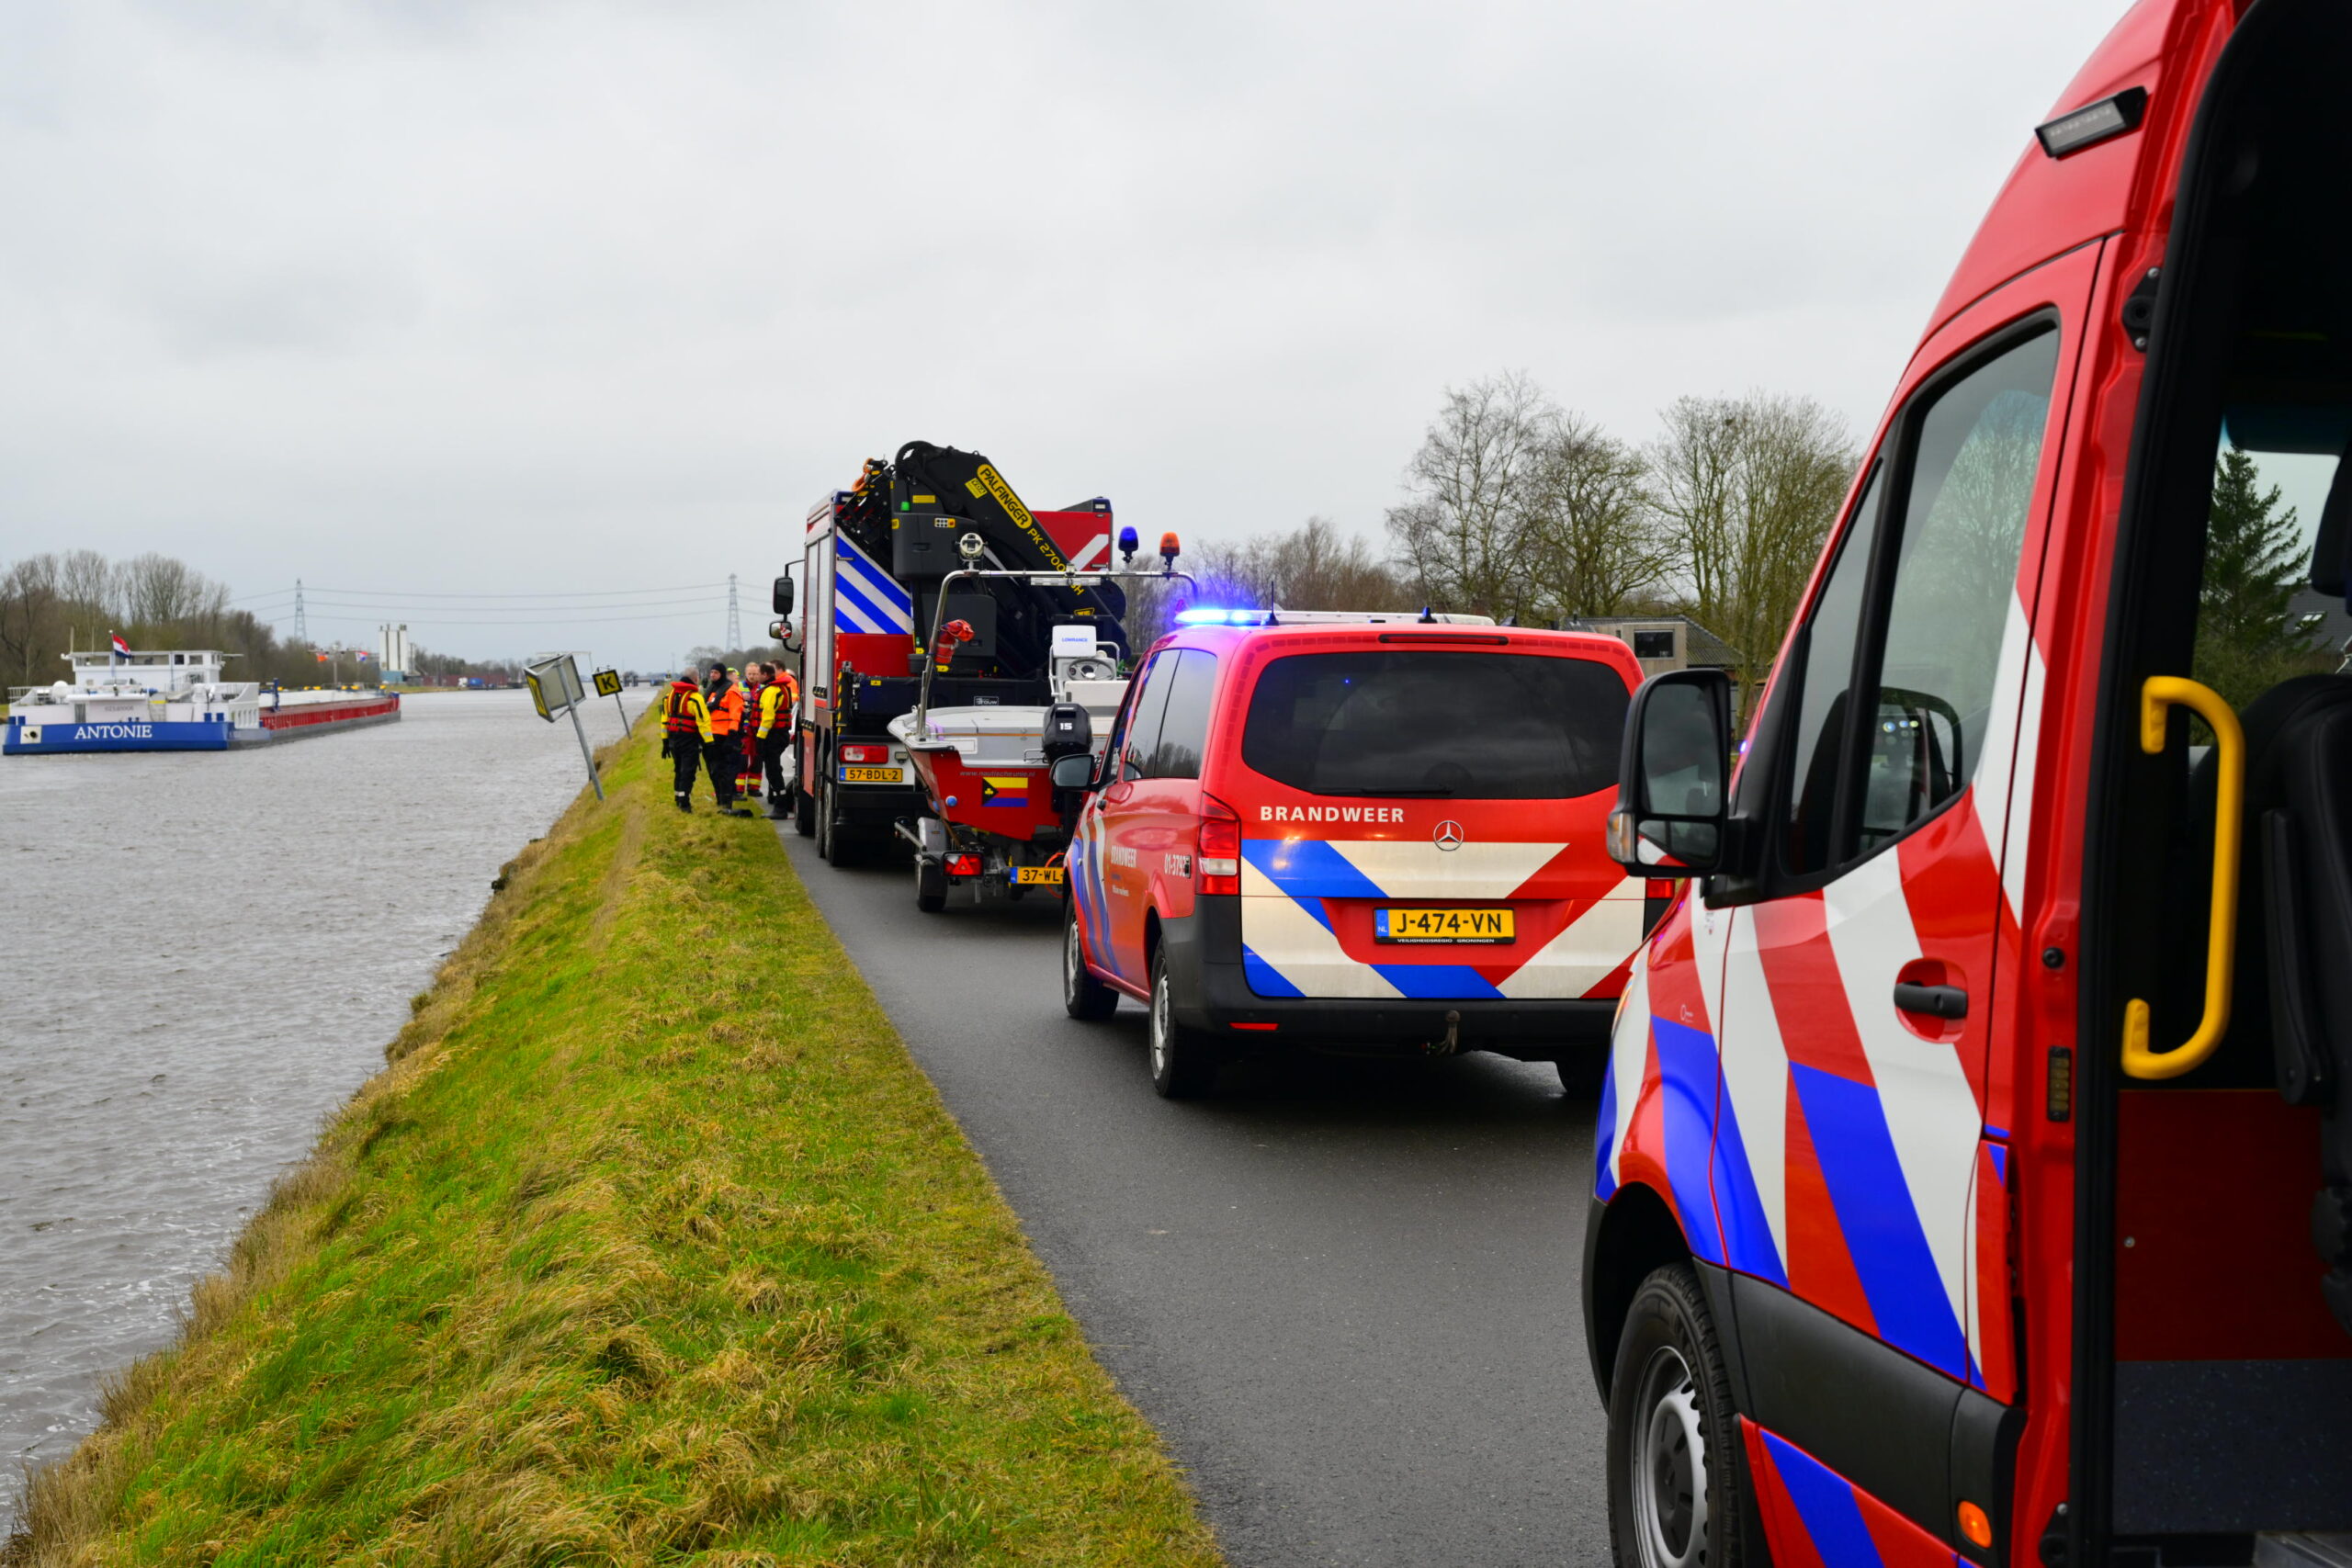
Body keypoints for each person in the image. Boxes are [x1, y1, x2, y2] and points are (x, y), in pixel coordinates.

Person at [660, 671, 714, 812]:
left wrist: (665, 742)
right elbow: (704, 722)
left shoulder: (668, 697)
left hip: (672, 739)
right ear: (696, 679)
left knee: (678, 769)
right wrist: (709, 742)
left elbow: (664, 720)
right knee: (688, 771)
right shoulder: (695, 698)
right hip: (688, 739)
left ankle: (678, 798)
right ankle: (684, 803)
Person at [704, 660, 750, 817]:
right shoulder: (711, 691)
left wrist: (732, 735)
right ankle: (721, 799)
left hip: (726, 736)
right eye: (711, 672)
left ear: (721, 674)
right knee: (714, 770)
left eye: (715, 673)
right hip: (711, 735)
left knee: (726, 771)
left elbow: (735, 713)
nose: (712, 675)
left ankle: (726, 801)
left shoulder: (731, 691)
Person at [754, 659, 799, 818]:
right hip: (780, 734)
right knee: (774, 770)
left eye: (759, 674)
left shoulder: (771, 691)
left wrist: (760, 738)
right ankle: (780, 805)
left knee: (773, 772)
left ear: (765, 675)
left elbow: (768, 718)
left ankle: (780, 808)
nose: (757, 677)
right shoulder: (781, 688)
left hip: (772, 736)